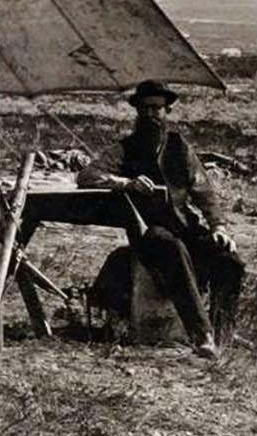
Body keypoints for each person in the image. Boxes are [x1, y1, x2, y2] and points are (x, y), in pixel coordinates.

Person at [77, 80, 244, 359]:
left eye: (157, 109)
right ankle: (201, 335)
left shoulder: (181, 148)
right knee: (171, 248)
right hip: (148, 232)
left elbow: (204, 192)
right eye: (144, 109)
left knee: (230, 259)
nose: (151, 115)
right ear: (137, 112)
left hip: (186, 228)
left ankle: (223, 331)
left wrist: (219, 227)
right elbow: (87, 177)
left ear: (167, 111)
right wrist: (126, 183)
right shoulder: (125, 149)